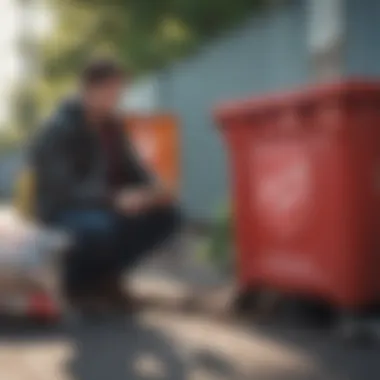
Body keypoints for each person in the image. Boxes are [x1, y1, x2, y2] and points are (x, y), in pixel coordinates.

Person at [29, 58, 180, 312]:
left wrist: (155, 189)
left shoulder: (113, 126)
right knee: (100, 227)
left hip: (105, 205)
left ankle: (103, 279)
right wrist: (113, 200)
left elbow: (134, 169)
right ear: (87, 89)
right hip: (62, 210)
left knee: (168, 216)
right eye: (109, 92)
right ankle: (75, 282)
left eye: (118, 93)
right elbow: (61, 189)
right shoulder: (57, 128)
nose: (115, 99)